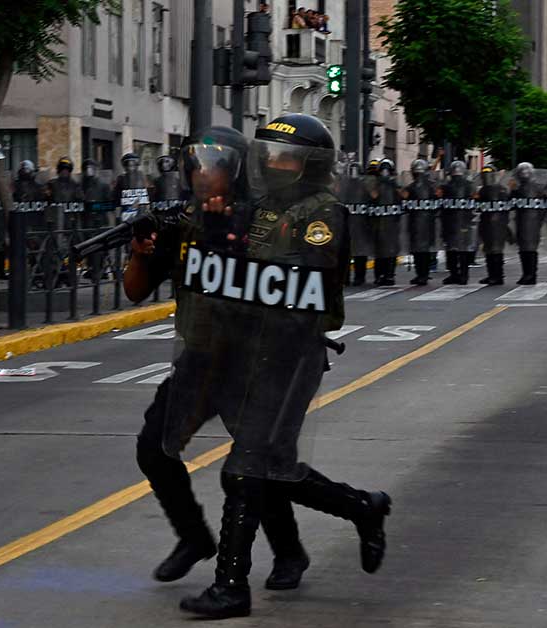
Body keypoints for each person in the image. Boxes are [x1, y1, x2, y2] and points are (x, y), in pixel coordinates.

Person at [128, 116, 392, 619]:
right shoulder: (256, 209)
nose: (275, 164)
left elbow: (295, 284)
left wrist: (227, 247)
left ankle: (232, 587)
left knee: (249, 470)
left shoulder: (324, 215)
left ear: (312, 167)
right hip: (227, 355)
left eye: (286, 157)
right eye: (269, 154)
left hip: (284, 357)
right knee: (261, 469)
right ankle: (359, 508)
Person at [440, 160, 476, 285]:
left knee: (451, 249)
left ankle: (454, 274)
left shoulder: (446, 186)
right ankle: (463, 275)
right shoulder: (469, 185)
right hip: (465, 221)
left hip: (450, 222)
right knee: (463, 250)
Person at [510, 162, 546, 285]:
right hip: (523, 220)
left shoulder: (537, 188)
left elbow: (545, 205)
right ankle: (527, 274)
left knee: (529, 248)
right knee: (524, 248)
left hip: (531, 221)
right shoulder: (521, 188)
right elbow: (512, 204)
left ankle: (530, 275)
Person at [404, 158, 439, 286]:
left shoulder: (412, 187)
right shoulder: (432, 186)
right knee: (423, 250)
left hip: (417, 222)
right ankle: (422, 274)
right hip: (427, 223)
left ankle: (422, 275)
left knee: (419, 251)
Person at [347, 159, 381, 286]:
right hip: (350, 223)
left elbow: (374, 198)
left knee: (360, 252)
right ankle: (350, 277)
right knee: (349, 252)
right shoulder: (346, 186)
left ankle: (359, 277)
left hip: (362, 222)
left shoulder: (365, 185)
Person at [369, 158, 402, 286]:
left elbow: (403, 196)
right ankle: (379, 275)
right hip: (379, 222)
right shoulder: (376, 184)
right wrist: (380, 183)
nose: (385, 173)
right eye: (383, 170)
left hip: (392, 223)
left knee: (391, 250)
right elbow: (373, 196)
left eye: (387, 171)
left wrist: (392, 183)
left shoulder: (395, 184)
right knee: (380, 250)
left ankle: (389, 275)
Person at [476, 165, 510, 285]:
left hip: (496, 223)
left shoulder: (500, 190)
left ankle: (497, 276)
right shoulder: (488, 190)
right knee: (489, 250)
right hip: (488, 223)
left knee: (495, 250)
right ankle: (493, 275)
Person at [46, 156, 83, 232]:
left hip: (70, 219)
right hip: (55, 219)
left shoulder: (75, 185)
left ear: (70, 171)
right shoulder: (51, 184)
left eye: (67, 170)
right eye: (62, 169)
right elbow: (46, 201)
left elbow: (80, 201)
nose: (64, 172)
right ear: (59, 170)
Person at [114, 152, 151, 223]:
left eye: (133, 165)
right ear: (125, 166)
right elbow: (117, 198)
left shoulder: (142, 177)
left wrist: (148, 210)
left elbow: (148, 194)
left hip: (141, 211)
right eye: (129, 165)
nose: (131, 167)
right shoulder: (121, 178)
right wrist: (117, 216)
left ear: (137, 165)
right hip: (126, 211)